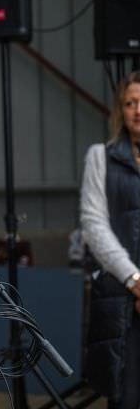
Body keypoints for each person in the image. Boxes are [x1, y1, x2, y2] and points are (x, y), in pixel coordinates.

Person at [81, 71, 140, 409]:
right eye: (130, 103)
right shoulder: (100, 157)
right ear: (120, 110)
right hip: (120, 299)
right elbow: (94, 226)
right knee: (125, 397)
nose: (138, 110)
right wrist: (135, 280)